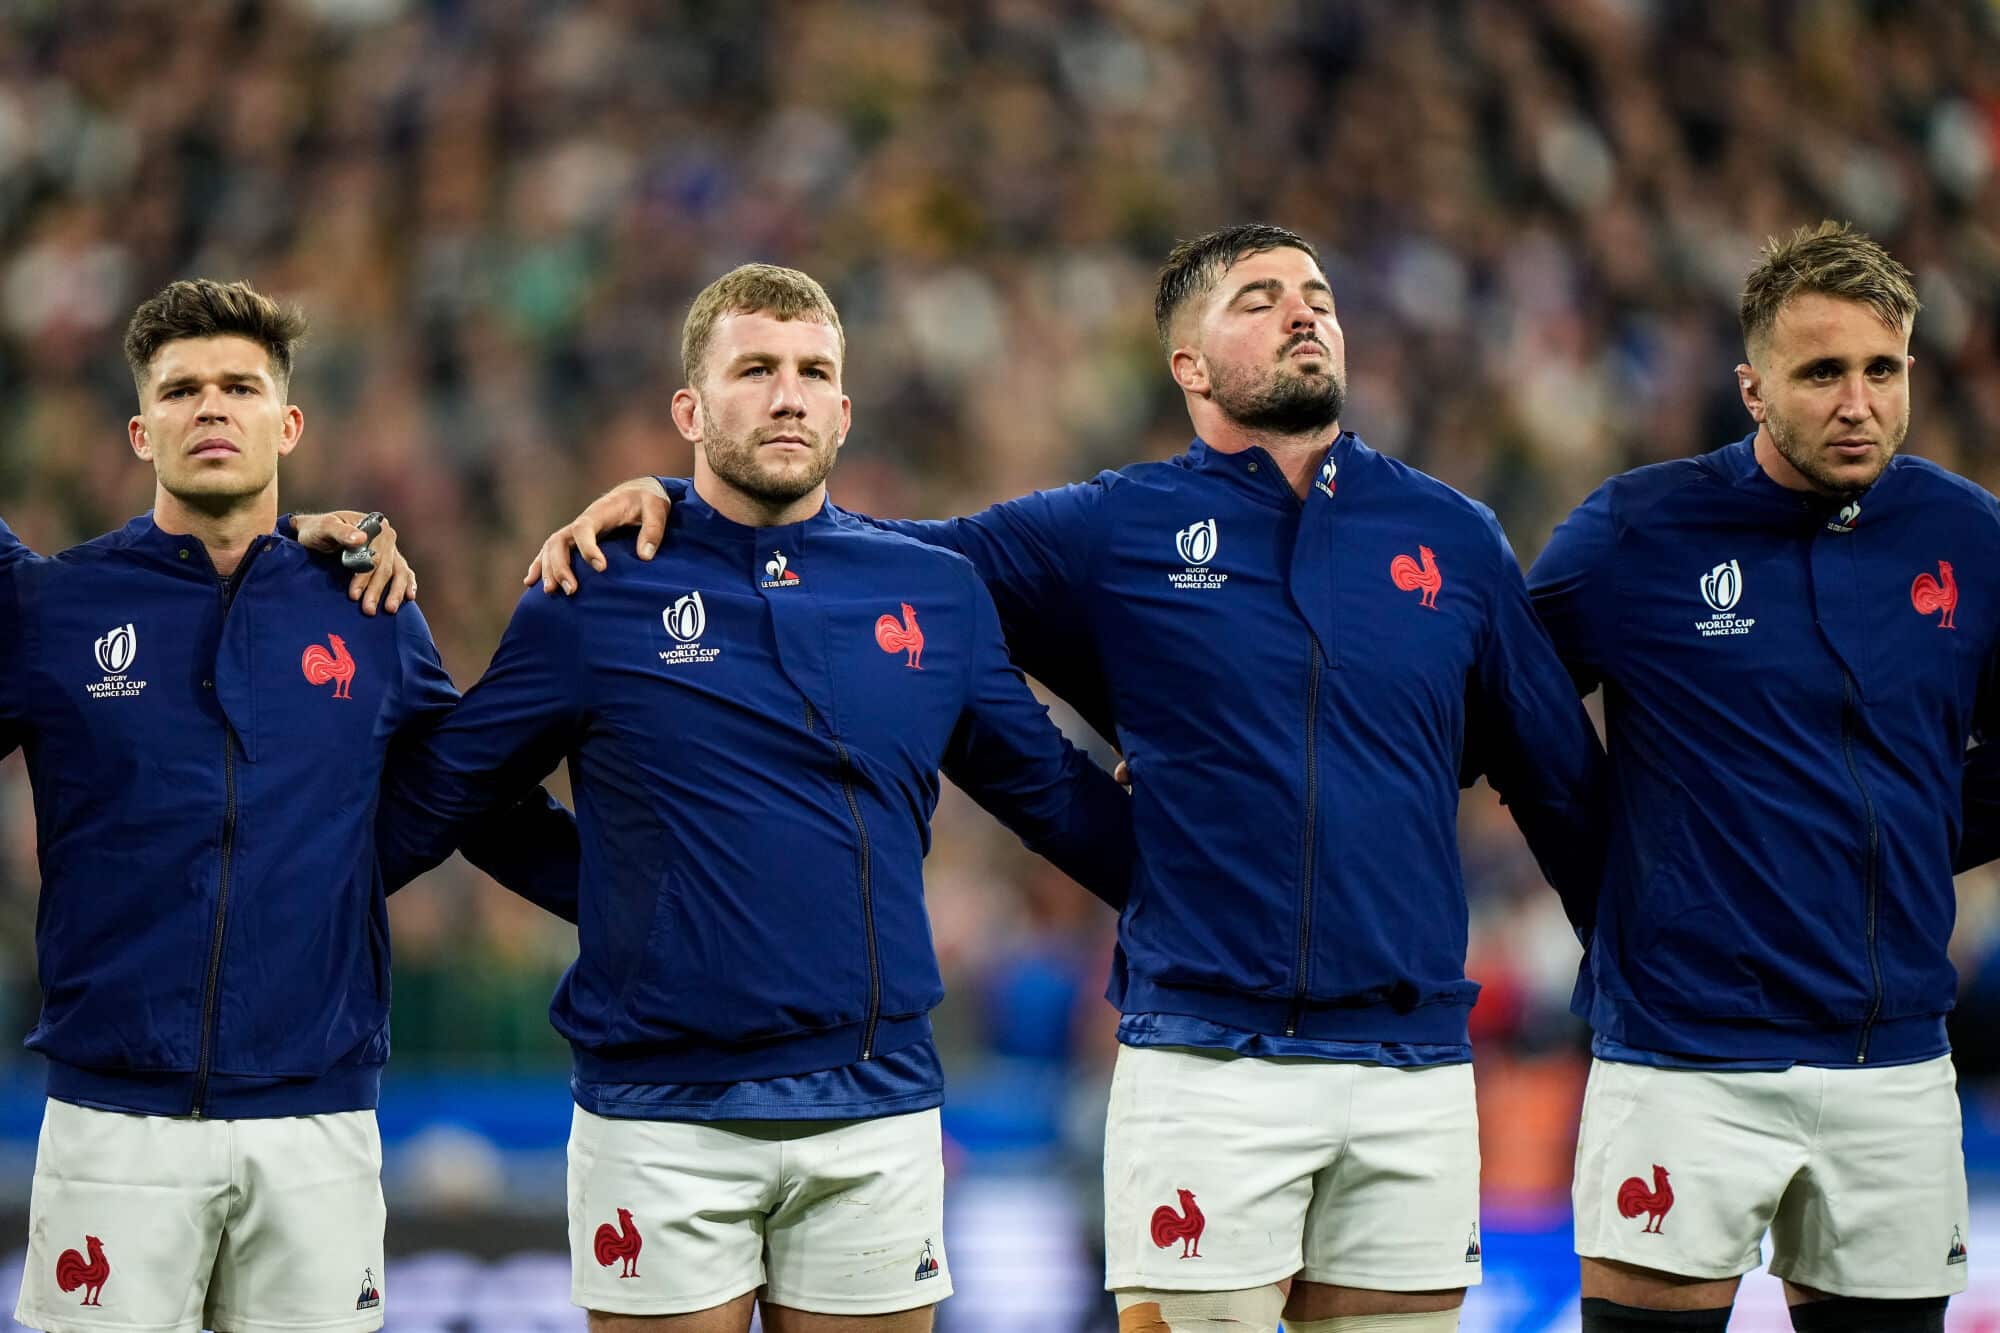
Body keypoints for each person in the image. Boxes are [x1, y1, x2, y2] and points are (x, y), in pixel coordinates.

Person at [531, 225, 1607, 1333]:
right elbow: (844, 555)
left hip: (1411, 1060)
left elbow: (1560, 782)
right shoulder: (1112, 528)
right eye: (1258, 297)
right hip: (1201, 1054)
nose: (1303, 312)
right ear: (1187, 364)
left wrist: (1623, 994)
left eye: (1316, 293)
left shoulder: (1451, 536)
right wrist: (684, 497)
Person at [374, 262, 1135, 1333]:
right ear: (688, 408)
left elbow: (1054, 798)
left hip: (872, 1110)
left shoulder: (925, 589)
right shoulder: (594, 589)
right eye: (755, 370)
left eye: (813, 371)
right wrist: (616, 898)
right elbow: (458, 791)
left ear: (843, 407)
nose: (787, 394)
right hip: (660, 1114)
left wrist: (1217, 861)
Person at [2, 278, 577, 1333]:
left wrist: (638, 898)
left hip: (316, 1118)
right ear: (140, 430)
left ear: (288, 421)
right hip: (113, 1120)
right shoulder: (52, 607)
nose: (210, 407)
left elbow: (478, 803)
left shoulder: (369, 607)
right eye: (180, 391)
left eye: (238, 386)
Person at [1528, 221, 2000, 1333]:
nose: (1855, 401)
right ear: (1750, 387)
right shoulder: (1634, 532)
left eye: (1880, 370)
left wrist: (1908, 840)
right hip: (1683, 1058)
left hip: (1890, 1063)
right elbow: (1482, 711)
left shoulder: (1967, 538)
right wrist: (1619, 872)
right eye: (1820, 371)